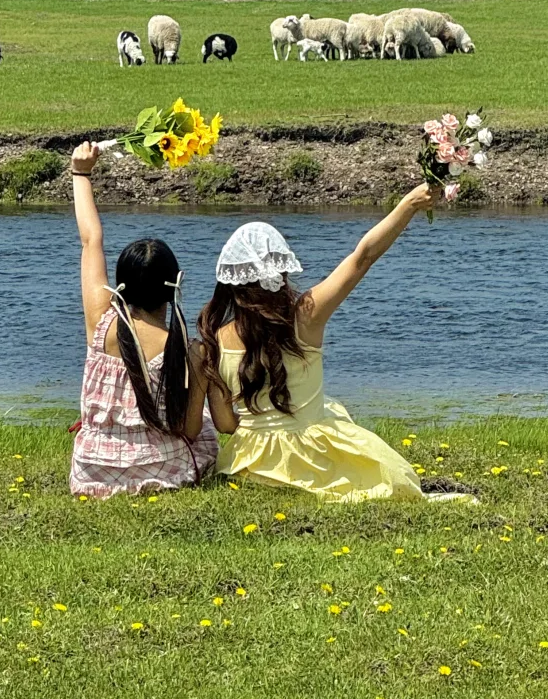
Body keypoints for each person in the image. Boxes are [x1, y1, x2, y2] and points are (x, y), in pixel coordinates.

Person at [198, 186, 467, 501]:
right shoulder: (306, 314)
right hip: (312, 459)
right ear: (281, 269)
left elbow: (227, 425)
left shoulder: (214, 338)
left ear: (229, 281)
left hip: (249, 465)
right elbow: (361, 258)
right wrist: (407, 205)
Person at [69, 142, 218, 498]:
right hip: (163, 471)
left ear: (119, 287)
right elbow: (191, 429)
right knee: (210, 430)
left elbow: (91, 240)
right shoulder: (189, 350)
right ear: (175, 285)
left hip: (94, 470)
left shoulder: (101, 321)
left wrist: (80, 173)